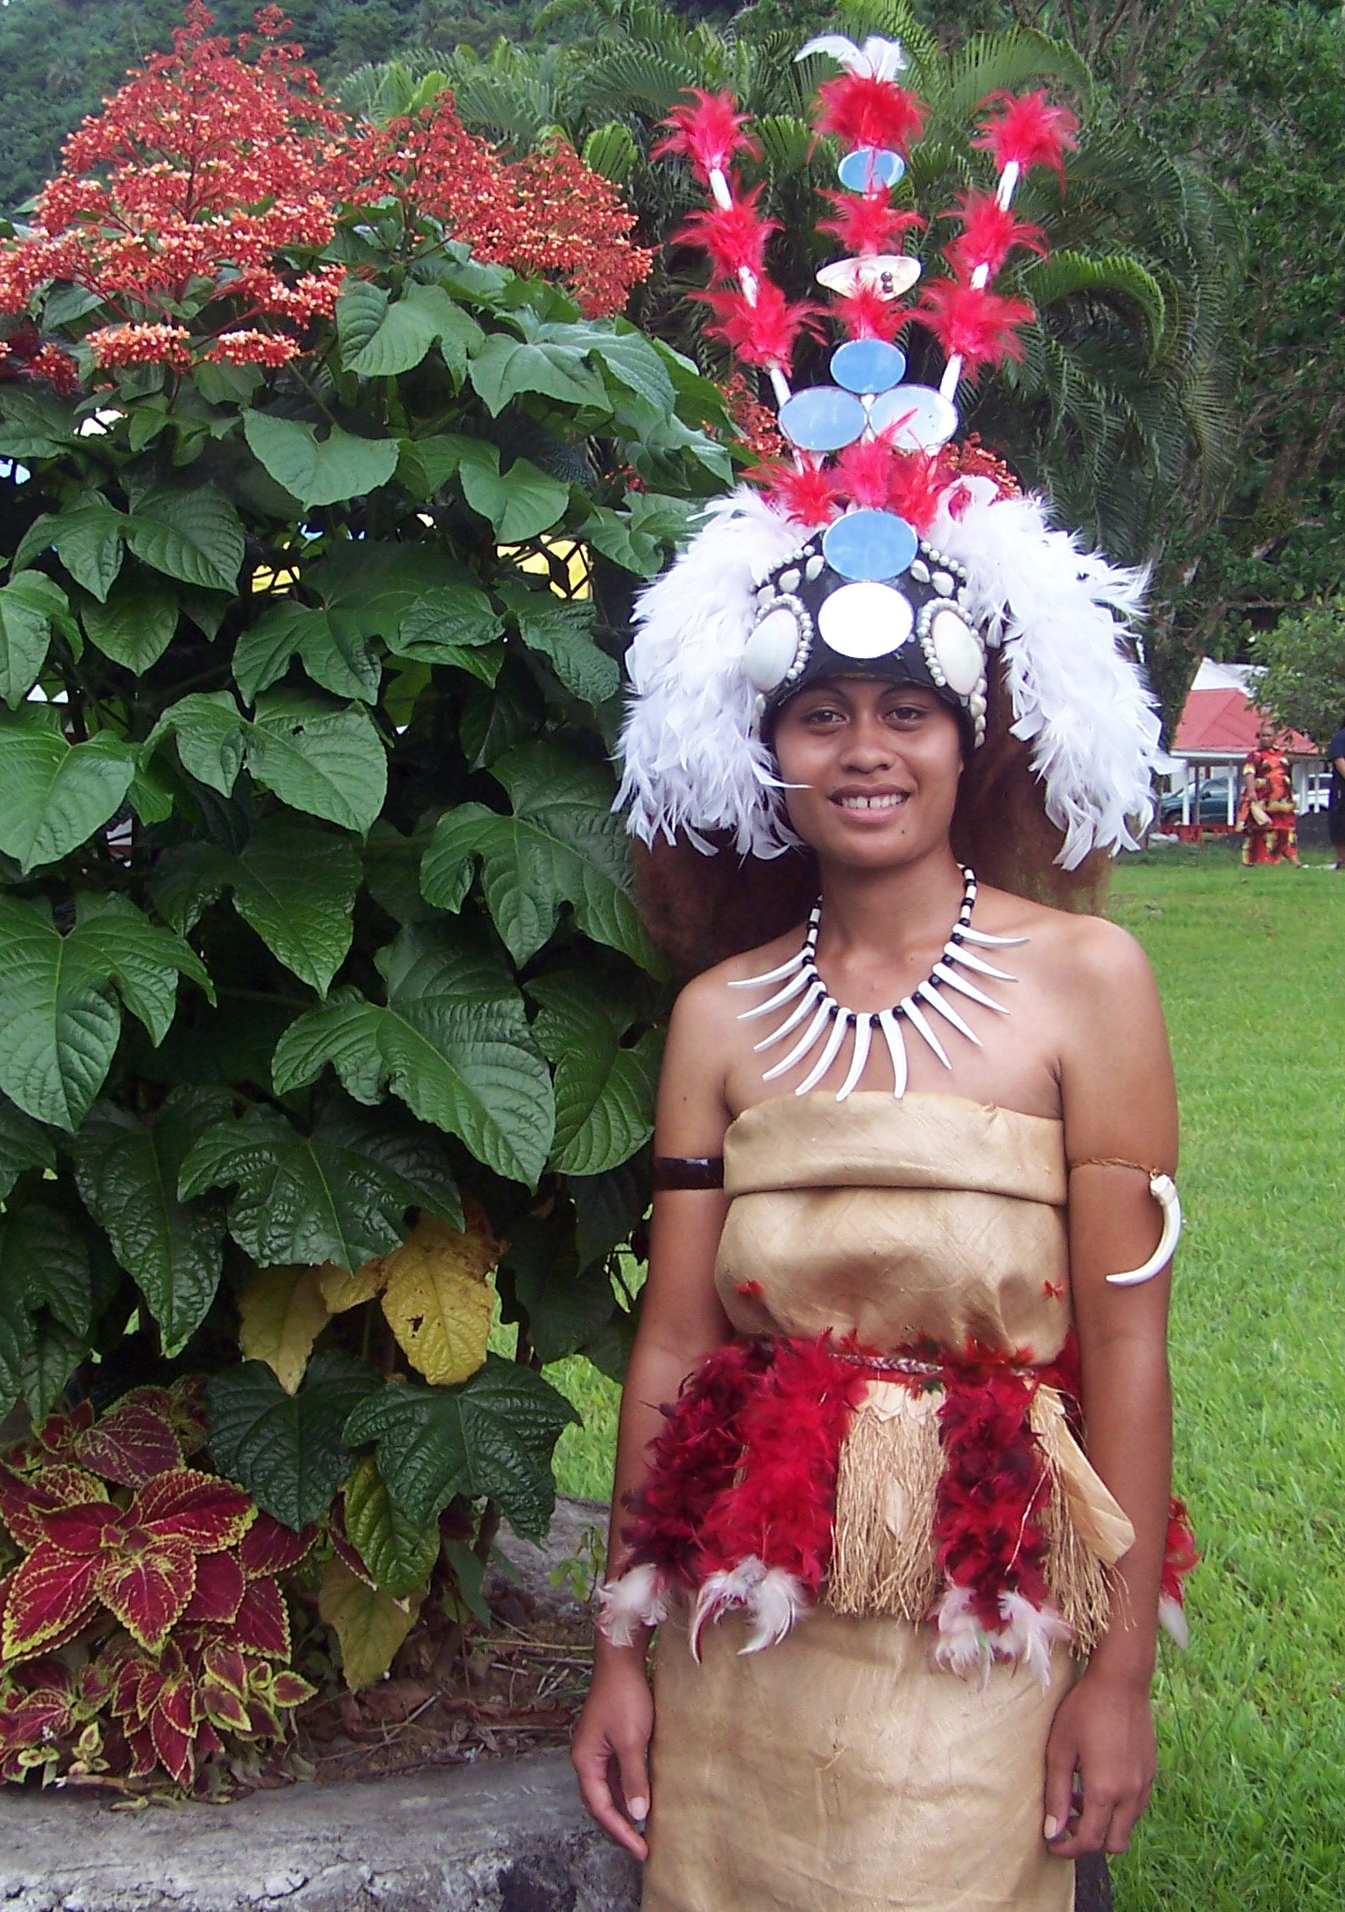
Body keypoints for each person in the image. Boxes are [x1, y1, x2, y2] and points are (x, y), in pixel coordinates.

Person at [571, 41, 1195, 1912]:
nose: (862, 748)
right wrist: (618, 1640)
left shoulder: (1090, 984)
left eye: (903, 711)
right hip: (743, 1642)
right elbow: (676, 1348)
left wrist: (1115, 1674)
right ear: (760, 752)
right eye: (820, 713)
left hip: (986, 1627)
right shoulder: (712, 1017)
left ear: (967, 737)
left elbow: (1131, 1346)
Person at [1236, 716, 1299, 866]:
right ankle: (1259, 861)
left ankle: (1293, 860)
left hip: (1282, 801)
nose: (1265, 738)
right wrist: (1252, 792)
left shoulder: (1281, 755)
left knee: (1286, 830)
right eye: (1263, 735)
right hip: (1262, 799)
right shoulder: (1254, 755)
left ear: (1275, 737)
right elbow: (1249, 772)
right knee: (1261, 830)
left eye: (1269, 735)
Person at [1327, 712, 1345, 871]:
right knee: (1340, 824)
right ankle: (1342, 860)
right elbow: (1340, 762)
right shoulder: (1341, 738)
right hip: (1342, 791)